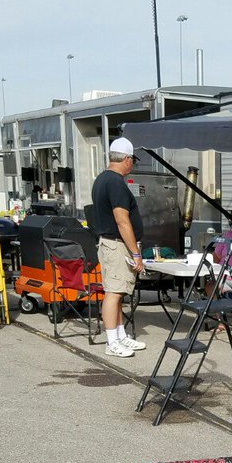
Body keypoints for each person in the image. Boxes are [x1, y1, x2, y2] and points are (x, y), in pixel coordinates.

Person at [90, 136, 146, 358]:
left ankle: (120, 335)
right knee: (113, 293)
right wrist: (135, 253)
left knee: (119, 291)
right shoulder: (115, 183)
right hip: (116, 245)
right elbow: (122, 221)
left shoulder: (102, 179)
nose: (132, 164)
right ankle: (112, 341)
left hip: (110, 244)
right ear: (127, 159)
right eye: (132, 159)